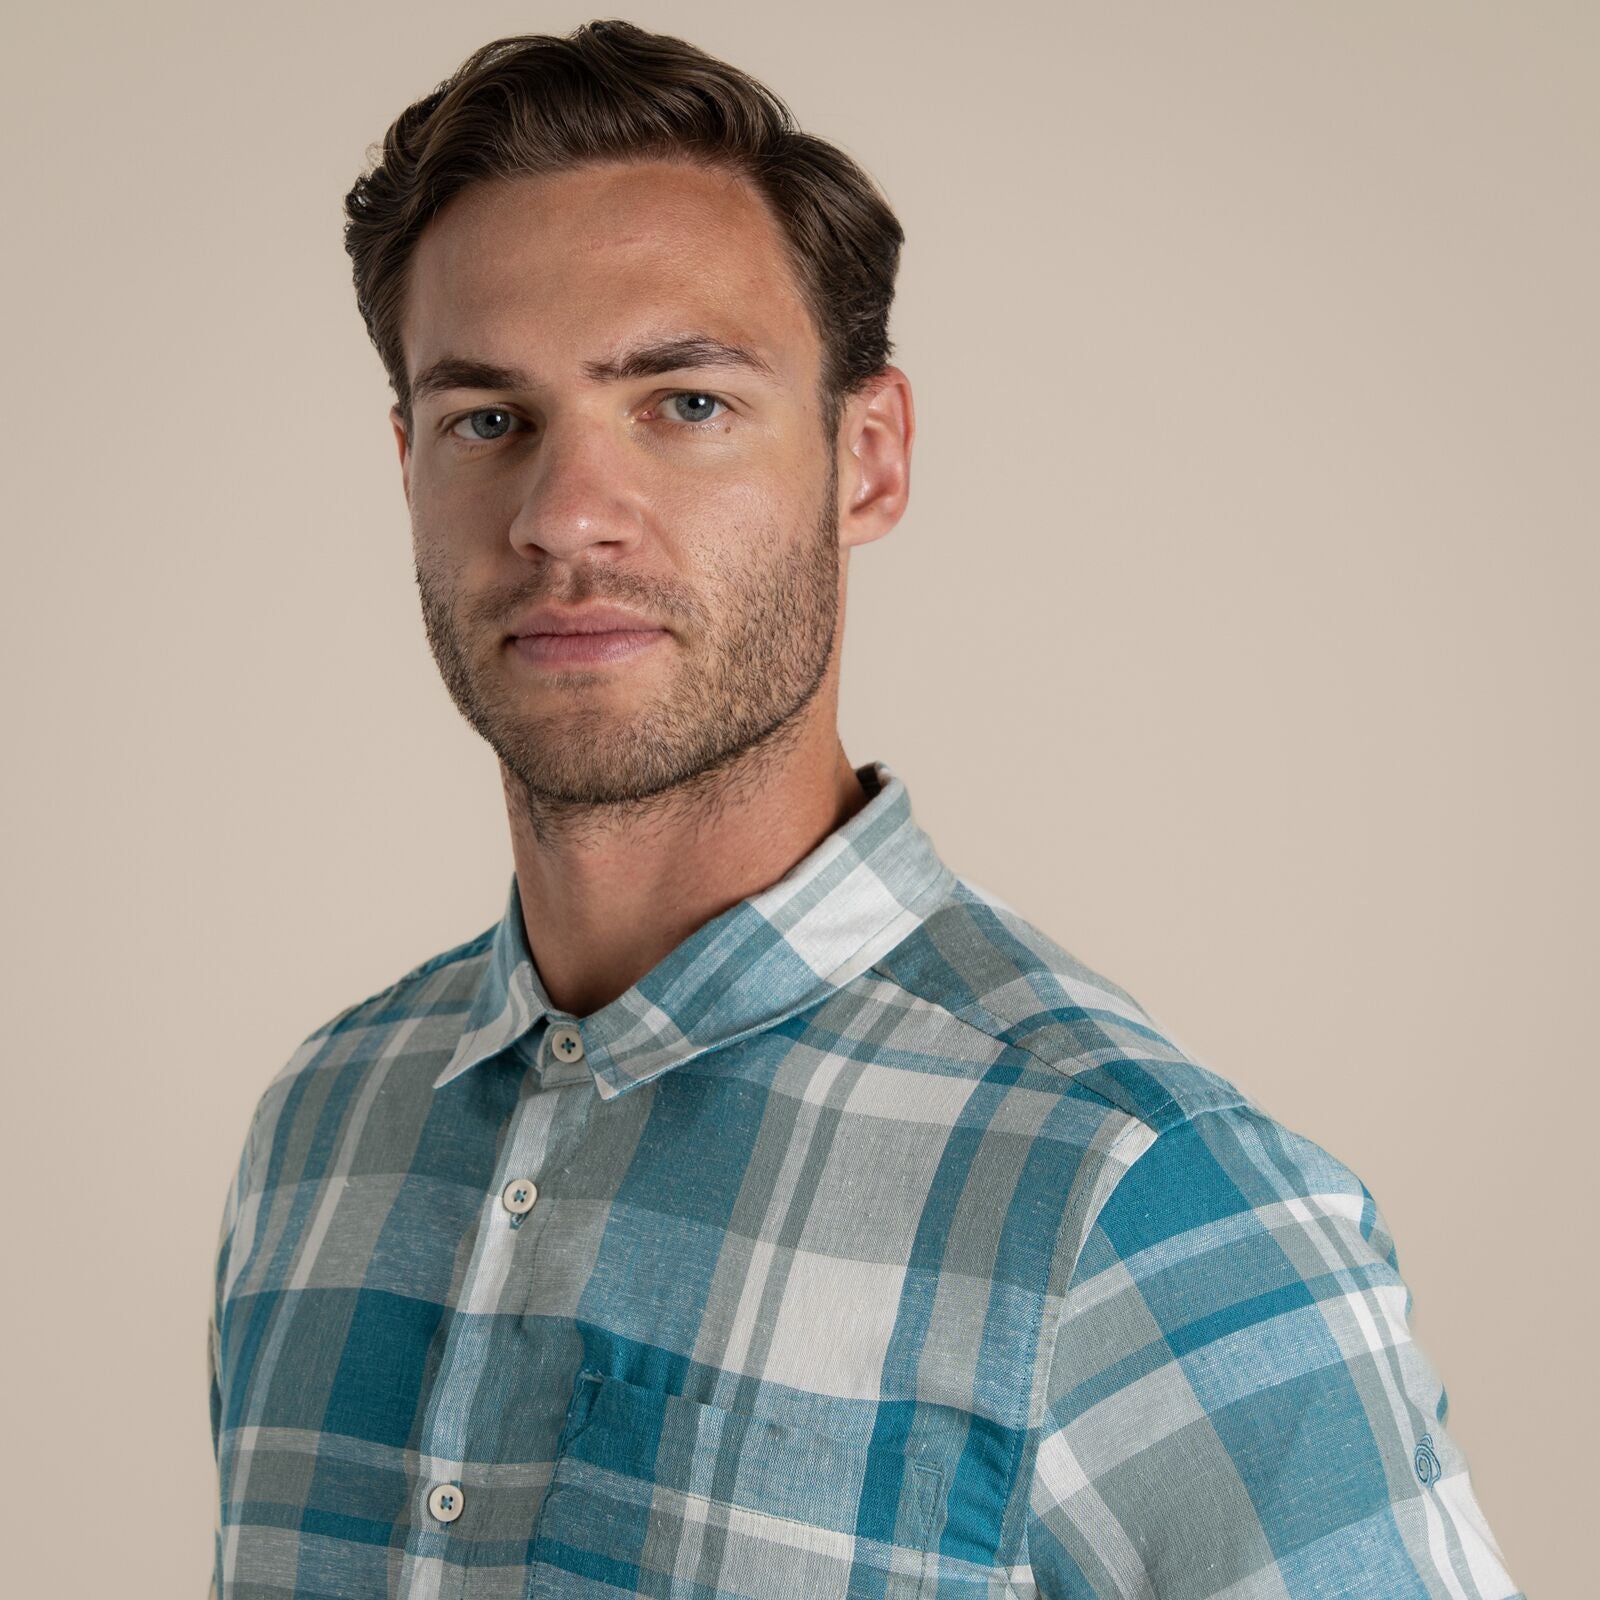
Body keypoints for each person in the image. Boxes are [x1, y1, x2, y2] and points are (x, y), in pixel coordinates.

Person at [207, 19, 1522, 1599]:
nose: (565, 516)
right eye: (489, 420)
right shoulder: (325, 1129)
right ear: (408, 465)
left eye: (685, 402)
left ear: (869, 460)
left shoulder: (1137, 1197)